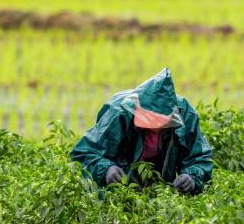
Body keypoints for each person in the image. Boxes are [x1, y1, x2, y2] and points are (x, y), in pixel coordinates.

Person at [70, 68, 212, 194]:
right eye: (148, 119)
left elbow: (200, 158)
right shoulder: (119, 114)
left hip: (160, 190)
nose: (152, 126)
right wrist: (106, 170)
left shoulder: (185, 114)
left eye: (158, 122)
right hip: (118, 189)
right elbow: (83, 153)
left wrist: (192, 177)